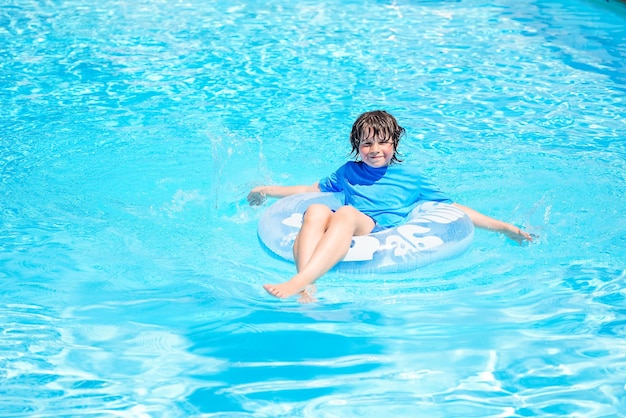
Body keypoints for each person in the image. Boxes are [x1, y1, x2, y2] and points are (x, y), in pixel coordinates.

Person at [248, 110, 533, 300]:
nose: (374, 150)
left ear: (394, 143)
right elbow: (309, 191)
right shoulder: (348, 171)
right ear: (357, 146)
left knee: (345, 213)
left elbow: (455, 209)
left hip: (375, 229)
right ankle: (306, 286)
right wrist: (267, 191)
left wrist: (504, 228)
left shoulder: (411, 178)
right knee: (315, 209)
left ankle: (298, 280)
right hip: (340, 222)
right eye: (367, 144)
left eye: (382, 142)